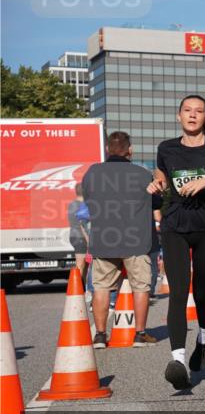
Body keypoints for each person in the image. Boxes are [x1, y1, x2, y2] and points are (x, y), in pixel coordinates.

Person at [148, 95, 205, 390]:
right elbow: (161, 179)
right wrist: (155, 185)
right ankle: (178, 360)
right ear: (178, 116)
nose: (193, 115)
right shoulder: (166, 148)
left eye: (199, 111)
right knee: (179, 292)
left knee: (202, 290)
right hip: (176, 225)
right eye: (187, 111)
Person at [82, 131, 157, 349]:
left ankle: (100, 336)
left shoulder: (93, 172)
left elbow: (88, 198)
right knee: (140, 287)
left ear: (107, 149)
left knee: (102, 287)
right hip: (136, 240)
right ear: (129, 149)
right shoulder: (141, 174)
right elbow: (157, 202)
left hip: (104, 239)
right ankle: (140, 334)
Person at [67, 183, 91, 297]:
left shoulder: (72, 204)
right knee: (81, 264)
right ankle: (77, 289)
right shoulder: (81, 206)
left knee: (85, 265)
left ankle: (83, 289)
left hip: (74, 236)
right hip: (80, 237)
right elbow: (82, 224)